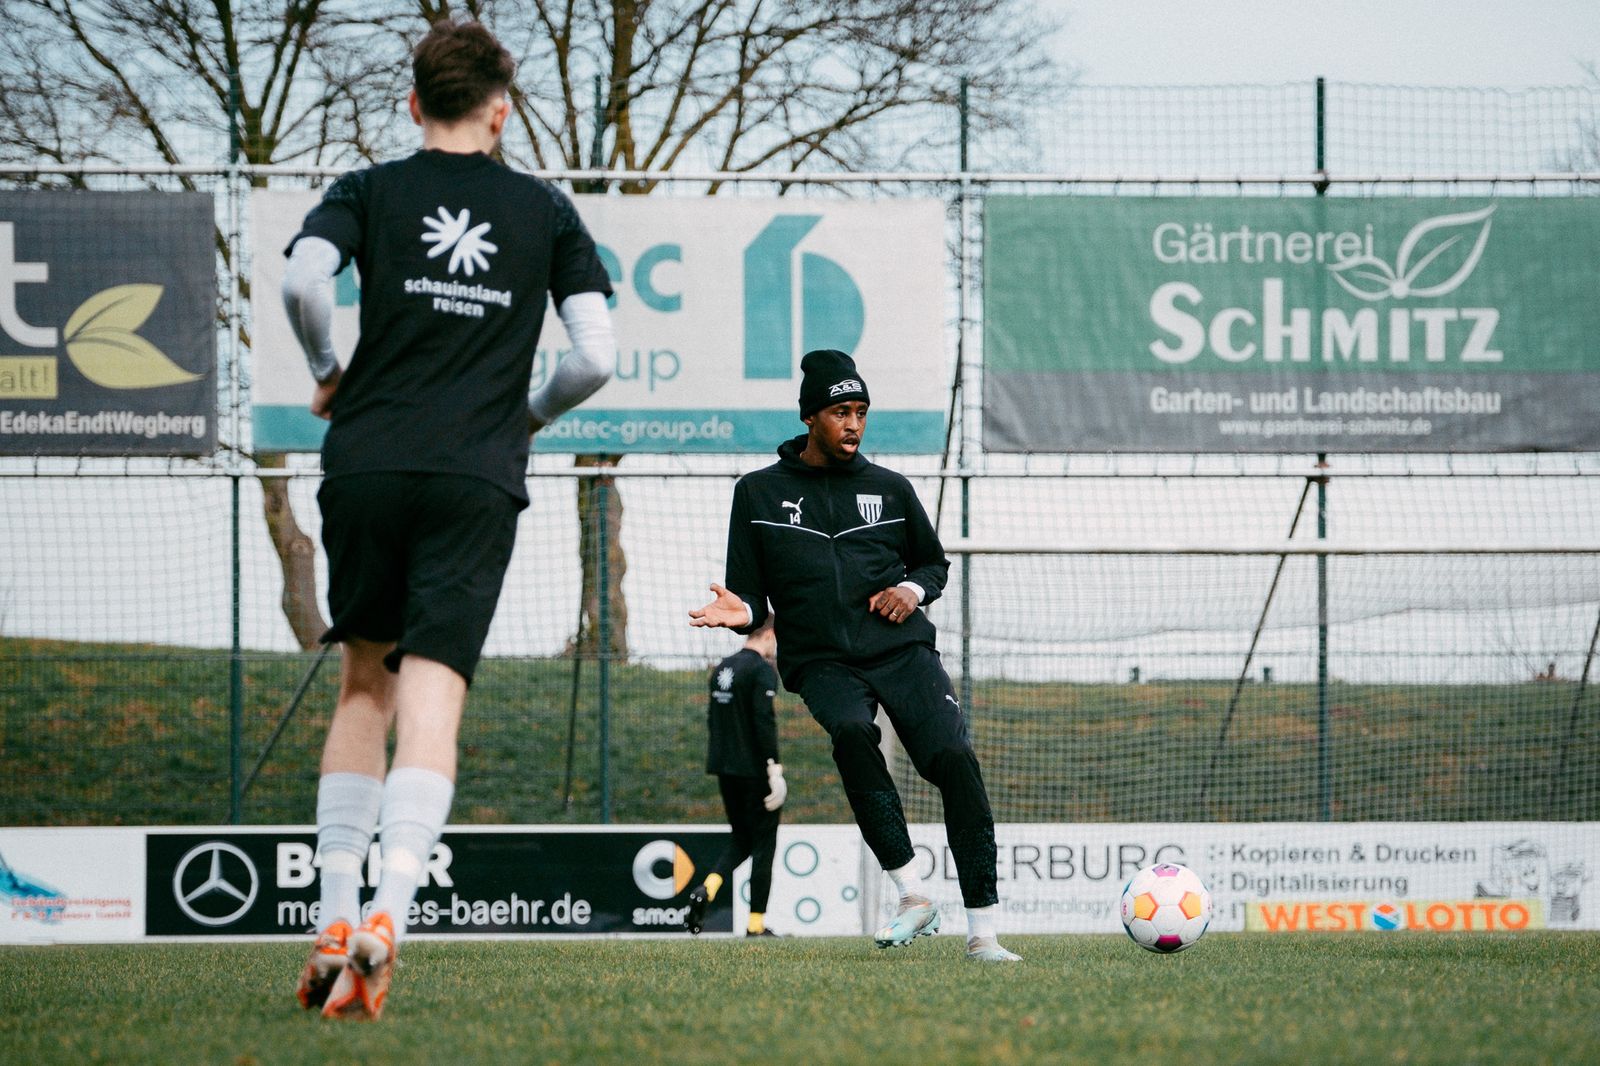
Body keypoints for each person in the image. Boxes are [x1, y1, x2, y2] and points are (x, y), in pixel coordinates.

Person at [280, 18, 615, 1020]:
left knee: (364, 682)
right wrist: (527, 416)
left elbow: (303, 279)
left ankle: (334, 918)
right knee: (433, 693)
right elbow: (595, 358)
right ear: (501, 110)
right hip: (476, 476)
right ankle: (388, 915)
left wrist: (329, 372)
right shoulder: (545, 210)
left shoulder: (368, 188)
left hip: (367, 461)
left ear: (415, 103)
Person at [689, 349, 1020, 962]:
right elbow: (749, 596)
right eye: (841, 412)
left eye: (861, 412)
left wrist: (911, 590)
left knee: (953, 758)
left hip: (902, 650)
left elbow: (933, 564)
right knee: (849, 731)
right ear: (810, 417)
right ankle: (912, 893)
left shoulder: (891, 488)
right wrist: (742, 613)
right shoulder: (756, 493)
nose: (853, 424)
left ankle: (984, 934)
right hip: (822, 661)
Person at [683, 617, 787, 938]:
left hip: (724, 768)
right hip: (754, 771)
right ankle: (756, 924)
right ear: (769, 634)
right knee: (764, 843)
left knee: (742, 837)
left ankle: (707, 889)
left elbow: (713, 720)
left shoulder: (722, 669)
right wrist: (773, 768)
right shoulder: (761, 670)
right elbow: (763, 721)